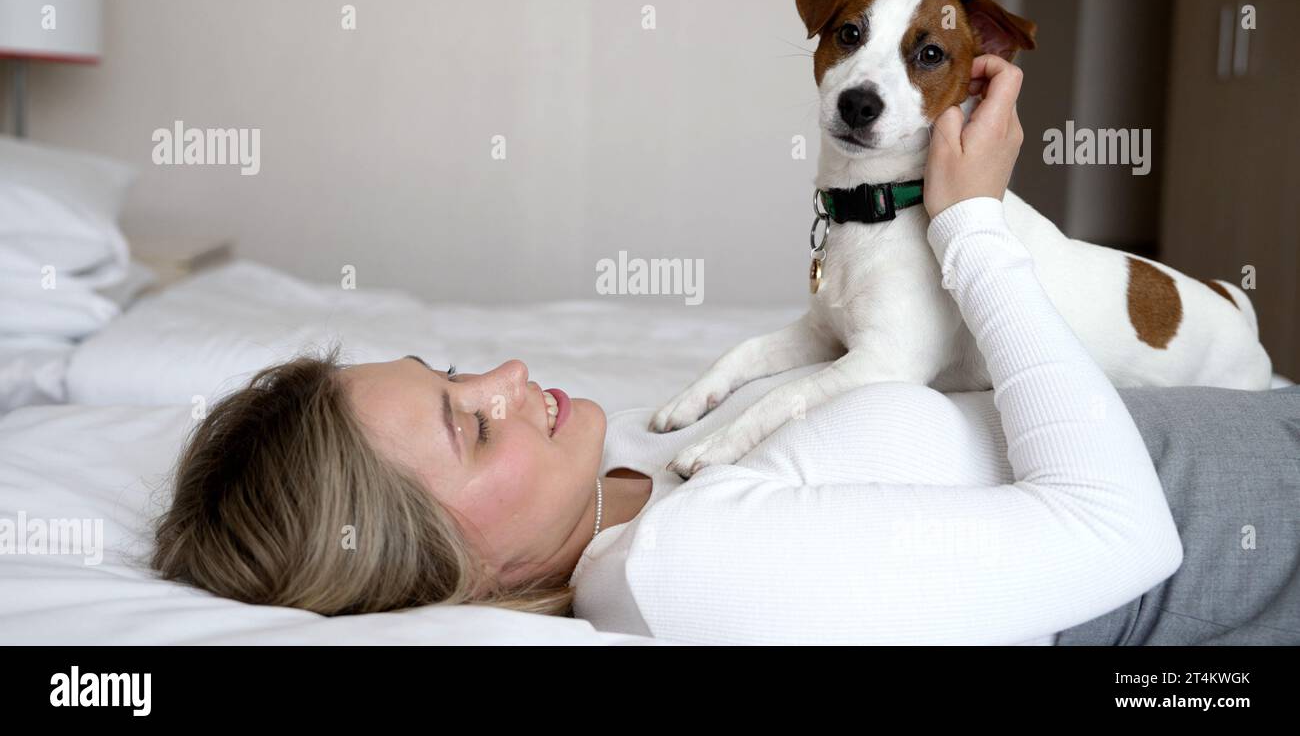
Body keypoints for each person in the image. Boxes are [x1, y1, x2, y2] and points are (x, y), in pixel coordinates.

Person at [150, 57, 1298, 644]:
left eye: (454, 372)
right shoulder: (672, 567)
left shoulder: (637, 497)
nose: (505, 378)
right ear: (461, 572)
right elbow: (1122, 530)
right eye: (470, 424)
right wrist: (968, 225)